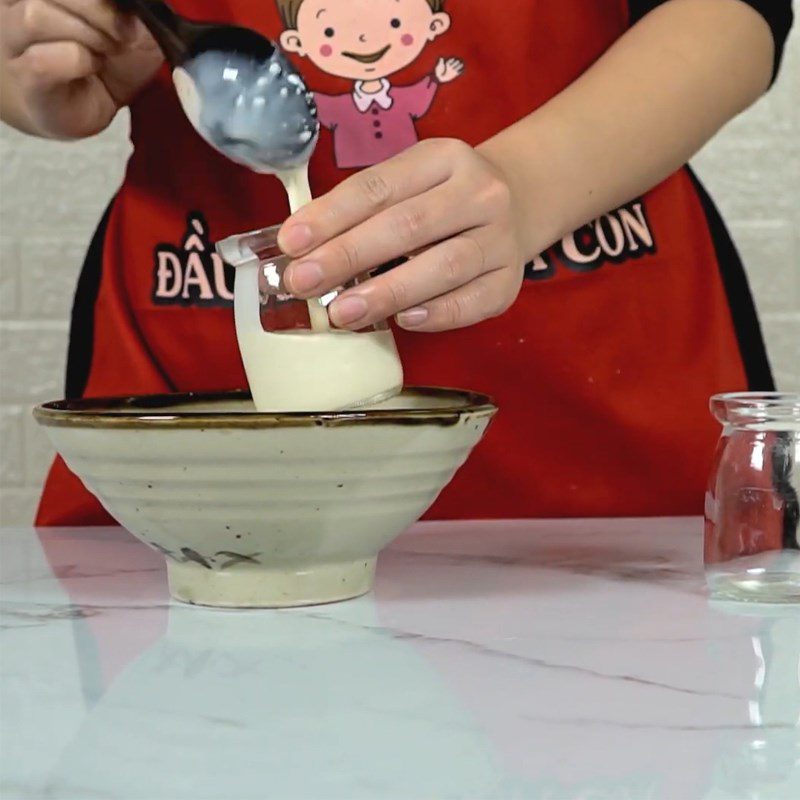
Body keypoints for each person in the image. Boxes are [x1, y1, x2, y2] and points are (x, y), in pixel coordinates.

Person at [0, 0, 793, 524]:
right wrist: (37, 48)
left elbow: (736, 9)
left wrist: (527, 184)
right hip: (197, 429)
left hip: (599, 399)